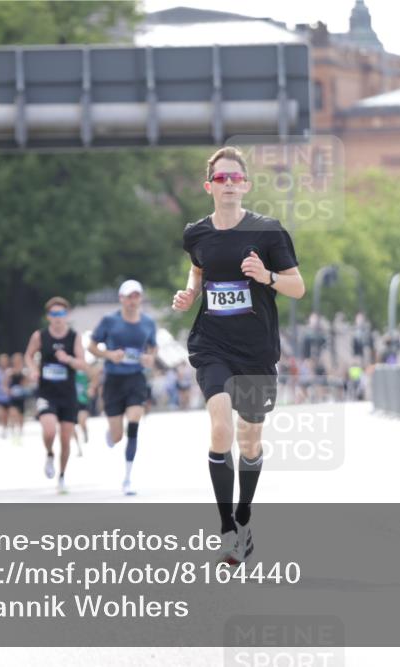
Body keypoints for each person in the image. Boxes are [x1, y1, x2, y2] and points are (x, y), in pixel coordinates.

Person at [172, 146, 305, 565]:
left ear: (245, 185)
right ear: (208, 186)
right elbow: (198, 267)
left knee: (249, 441)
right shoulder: (196, 233)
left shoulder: (268, 232)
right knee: (220, 428)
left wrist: (266, 276)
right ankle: (227, 528)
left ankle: (244, 517)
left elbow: (297, 286)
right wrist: (190, 292)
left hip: (256, 350)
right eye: (221, 178)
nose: (228, 184)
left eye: (235, 178)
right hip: (212, 343)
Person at [88, 280, 158, 496]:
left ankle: (127, 478)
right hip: (113, 380)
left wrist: (150, 358)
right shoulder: (109, 320)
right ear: (121, 298)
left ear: (141, 298)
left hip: (136, 378)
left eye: (136, 296)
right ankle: (112, 433)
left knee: (134, 423)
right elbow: (91, 346)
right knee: (117, 436)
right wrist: (109, 354)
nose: (132, 300)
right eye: (129, 296)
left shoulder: (148, 322)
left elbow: (153, 347)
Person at [24, 297, 88, 494]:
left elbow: (82, 364)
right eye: (54, 314)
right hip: (47, 393)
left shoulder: (74, 337)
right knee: (50, 431)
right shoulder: (40, 336)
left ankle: (61, 476)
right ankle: (50, 454)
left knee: (66, 439)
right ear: (48, 316)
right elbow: (28, 356)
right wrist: (34, 369)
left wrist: (68, 359)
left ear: (66, 315)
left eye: (61, 313)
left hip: (67, 394)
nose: (58, 317)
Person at [7, 352, 28, 441]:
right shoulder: (10, 372)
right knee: (13, 413)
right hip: (13, 397)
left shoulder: (24, 372)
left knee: (21, 415)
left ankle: (20, 432)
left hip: (21, 396)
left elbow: (26, 384)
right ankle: (12, 432)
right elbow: (5, 384)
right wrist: (9, 391)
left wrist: (23, 385)